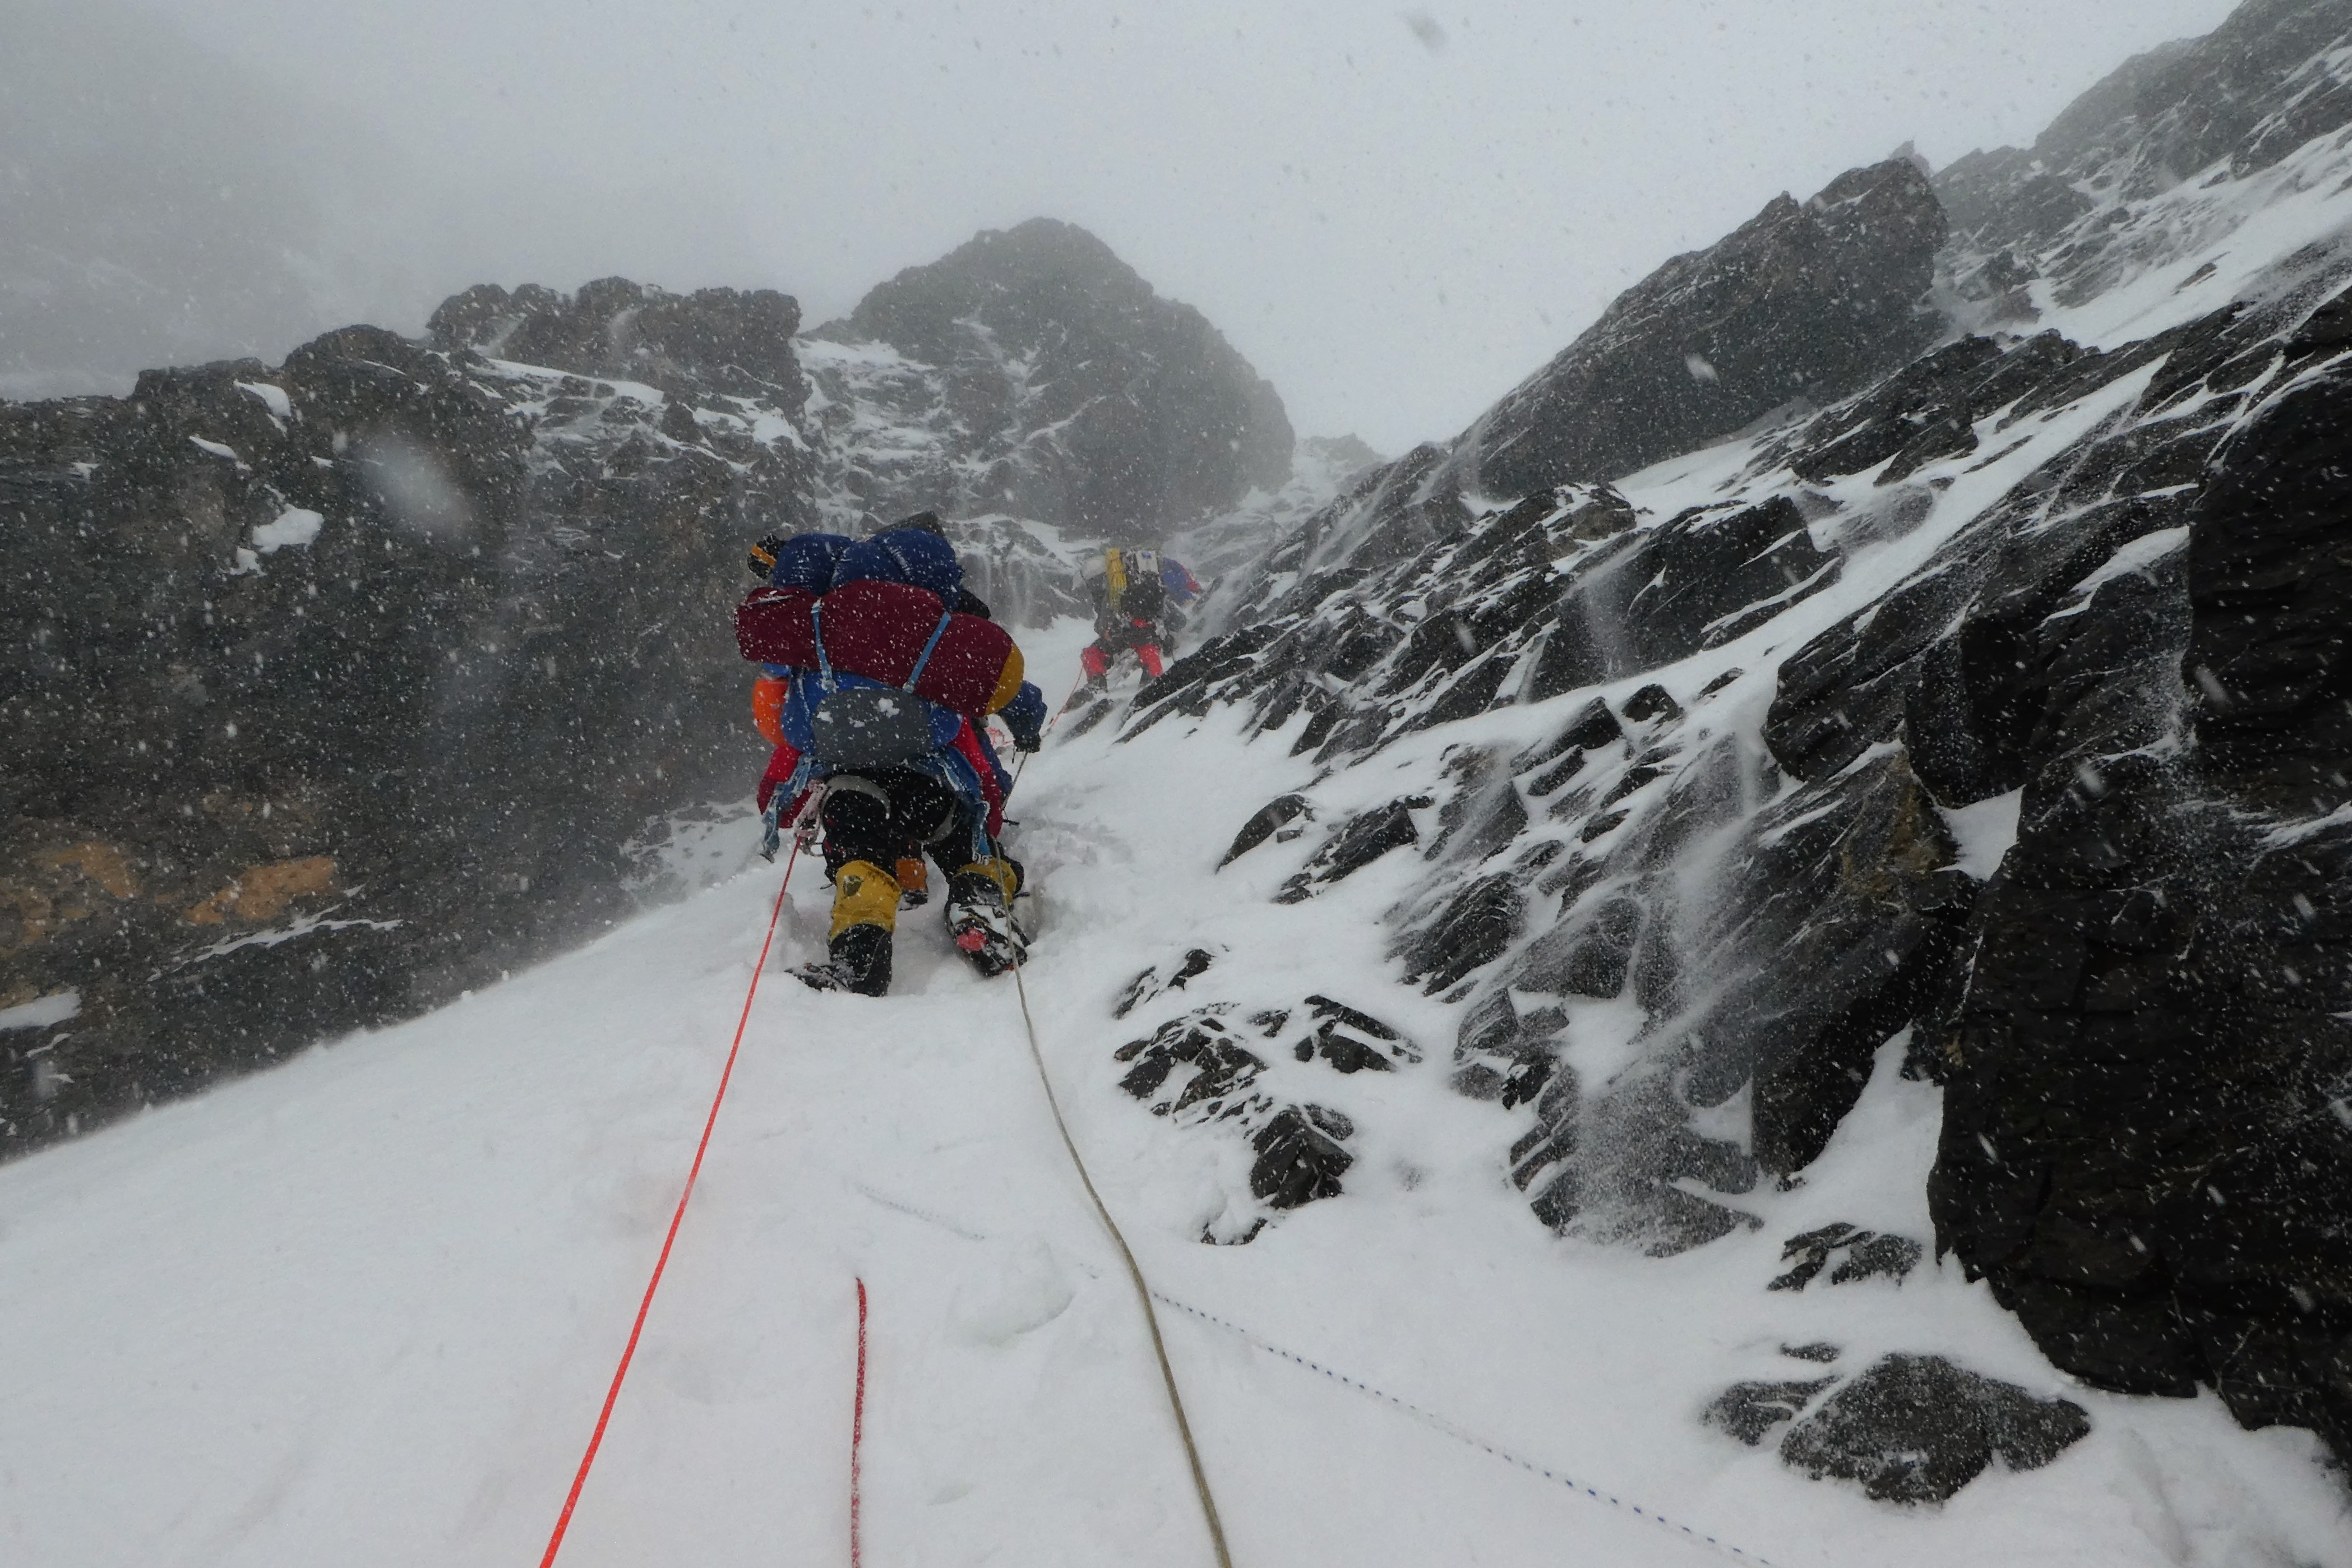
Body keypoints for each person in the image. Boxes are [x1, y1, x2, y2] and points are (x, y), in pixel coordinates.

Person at [736, 517, 1046, 997]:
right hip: (931, 779)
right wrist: (1023, 731)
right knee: (968, 850)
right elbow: (1005, 691)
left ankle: (859, 959)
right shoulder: (936, 635)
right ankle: (980, 905)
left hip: (849, 785)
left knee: (859, 860)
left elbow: (784, 726)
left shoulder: (812, 627)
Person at [1077, 546, 1202, 695]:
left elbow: (1105, 622)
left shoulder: (1111, 591)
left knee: (1091, 653)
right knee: (1146, 646)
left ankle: (1097, 685)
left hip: (1130, 631)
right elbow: (1174, 617)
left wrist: (1105, 631)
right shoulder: (1143, 584)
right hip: (1148, 630)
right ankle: (1153, 679)